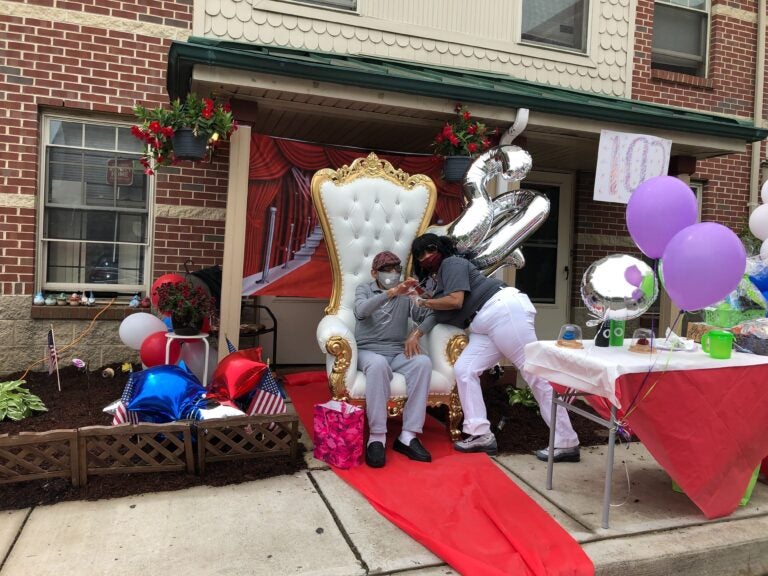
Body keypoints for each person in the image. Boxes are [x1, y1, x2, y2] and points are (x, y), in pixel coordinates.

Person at [405, 233, 580, 462]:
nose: (427, 256)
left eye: (430, 249)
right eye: (421, 254)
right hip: (482, 325)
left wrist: (422, 301)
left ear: (441, 248)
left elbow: (455, 301)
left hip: (502, 310)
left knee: (534, 373)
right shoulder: (439, 283)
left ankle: (566, 442)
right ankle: (480, 434)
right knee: (465, 370)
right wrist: (416, 332)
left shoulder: (452, 263)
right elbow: (437, 314)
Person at [354, 250, 433, 468]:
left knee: (422, 363)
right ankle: (377, 437)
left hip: (397, 351)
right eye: (386, 270)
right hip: (368, 350)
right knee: (378, 365)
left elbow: (423, 315)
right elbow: (361, 312)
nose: (392, 274)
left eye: (396, 270)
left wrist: (421, 296)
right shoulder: (365, 289)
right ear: (374, 273)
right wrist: (391, 293)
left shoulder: (406, 293)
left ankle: (408, 435)